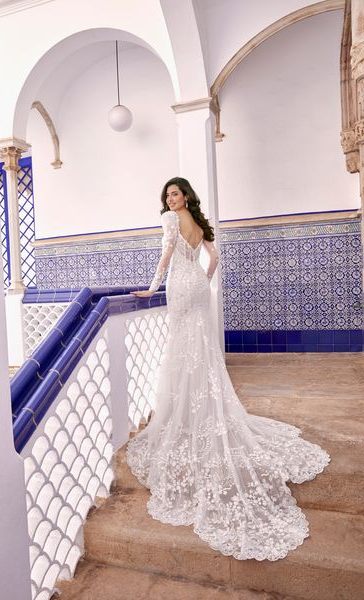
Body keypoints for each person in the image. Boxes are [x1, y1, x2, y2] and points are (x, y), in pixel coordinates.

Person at [127, 177, 330, 560]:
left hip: (178, 288)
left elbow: (166, 255)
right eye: (167, 195)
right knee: (199, 350)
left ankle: (185, 414)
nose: (170, 200)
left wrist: (153, 289)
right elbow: (214, 258)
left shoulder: (171, 223)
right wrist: (202, 280)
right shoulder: (200, 224)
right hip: (198, 289)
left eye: (174, 194)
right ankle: (201, 408)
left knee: (182, 349)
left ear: (185, 196)